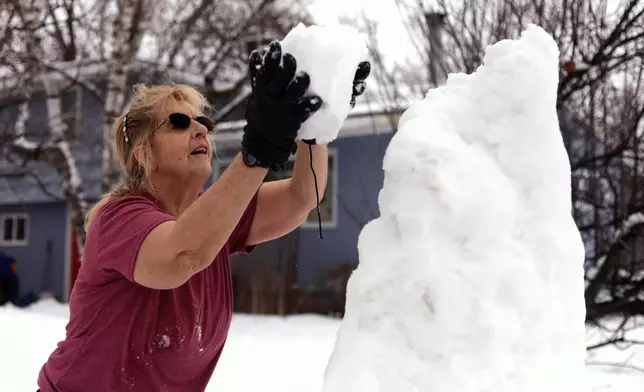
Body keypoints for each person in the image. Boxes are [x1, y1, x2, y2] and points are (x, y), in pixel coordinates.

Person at [36, 41, 370, 392]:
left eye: (203, 121)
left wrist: (315, 124)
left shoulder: (214, 219)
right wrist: (258, 152)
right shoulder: (120, 219)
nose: (200, 130)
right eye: (179, 123)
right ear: (143, 154)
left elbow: (302, 196)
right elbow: (181, 256)